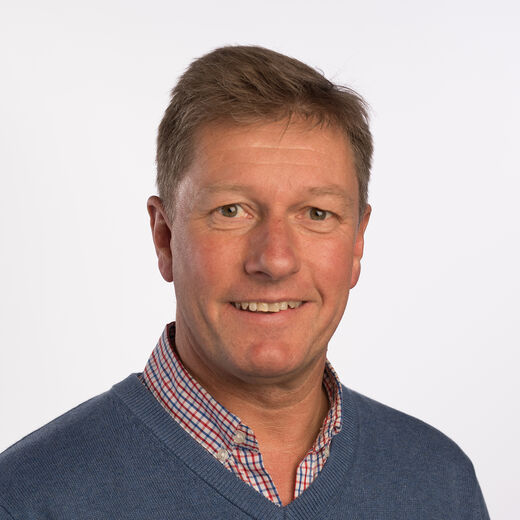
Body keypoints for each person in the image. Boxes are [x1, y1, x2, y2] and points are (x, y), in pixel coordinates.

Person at [0, 46, 489, 519]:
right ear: (165, 237)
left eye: (317, 214)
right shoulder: (27, 499)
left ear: (357, 243)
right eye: (231, 211)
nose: (274, 260)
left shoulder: (440, 482)